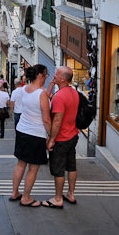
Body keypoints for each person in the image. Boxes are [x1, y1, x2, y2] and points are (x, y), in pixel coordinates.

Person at [9, 65, 52, 207]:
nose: (47, 77)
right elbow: (46, 119)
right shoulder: (41, 94)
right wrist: (51, 136)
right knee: (33, 168)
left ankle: (15, 192)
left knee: (21, 164)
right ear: (40, 75)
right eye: (46, 75)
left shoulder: (24, 89)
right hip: (36, 133)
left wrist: (50, 87)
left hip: (22, 130)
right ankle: (26, 197)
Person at [43, 66, 80, 209]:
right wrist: (51, 85)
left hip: (62, 138)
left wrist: (51, 139)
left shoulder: (59, 97)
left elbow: (57, 121)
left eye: (57, 74)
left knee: (58, 169)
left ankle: (58, 198)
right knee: (71, 166)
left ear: (63, 78)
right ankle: (71, 193)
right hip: (73, 135)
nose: (54, 75)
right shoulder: (74, 93)